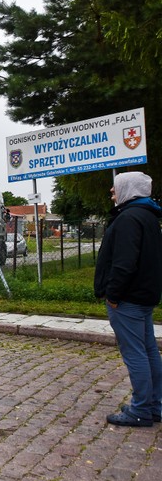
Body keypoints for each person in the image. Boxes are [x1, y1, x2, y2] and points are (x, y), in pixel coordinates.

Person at [94, 171, 162, 427]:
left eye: (115, 188)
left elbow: (124, 263)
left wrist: (113, 295)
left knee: (135, 354)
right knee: (148, 351)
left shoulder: (128, 219)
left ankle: (141, 410)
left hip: (128, 299)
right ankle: (155, 405)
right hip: (145, 296)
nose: (112, 192)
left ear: (128, 189)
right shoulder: (148, 216)